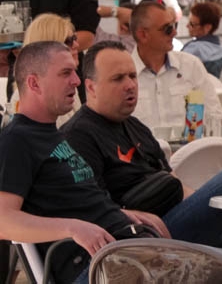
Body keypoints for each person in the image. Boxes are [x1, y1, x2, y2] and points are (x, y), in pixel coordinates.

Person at [61, 41, 222, 270]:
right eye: (118, 79)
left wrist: (204, 207)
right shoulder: (79, 135)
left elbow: (175, 183)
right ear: (91, 87)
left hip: (173, 220)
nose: (130, 85)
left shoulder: (135, 127)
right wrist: (132, 216)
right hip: (136, 238)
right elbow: (92, 208)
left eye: (132, 76)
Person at [0, 41, 165, 284]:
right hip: (100, 265)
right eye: (65, 73)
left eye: (75, 72)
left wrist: (121, 214)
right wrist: (73, 228)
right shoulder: (17, 139)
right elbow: (3, 220)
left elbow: (75, 201)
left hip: (126, 248)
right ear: (34, 83)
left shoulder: (51, 135)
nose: (77, 81)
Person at [129, 1, 222, 129]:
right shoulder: (123, 75)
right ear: (143, 35)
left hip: (190, 142)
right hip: (141, 143)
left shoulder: (191, 66)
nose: (174, 33)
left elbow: (214, 116)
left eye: (174, 26)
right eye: (167, 29)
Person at [7, 14, 82, 125]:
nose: (76, 45)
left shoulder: (70, 85)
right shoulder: (26, 98)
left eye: (75, 38)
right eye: (68, 41)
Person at [182, 2, 222, 79]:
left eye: (192, 24)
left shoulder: (195, 48)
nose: (187, 26)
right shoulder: (219, 46)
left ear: (207, 27)